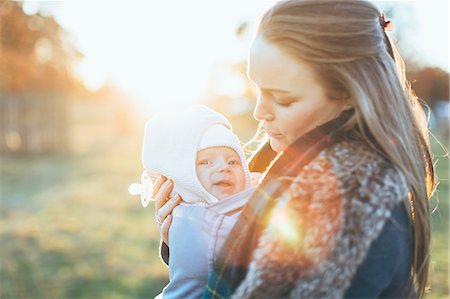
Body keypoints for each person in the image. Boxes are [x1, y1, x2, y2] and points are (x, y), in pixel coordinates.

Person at [152, 0, 437, 298]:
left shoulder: (351, 204)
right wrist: (189, 243)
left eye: (283, 100)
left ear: (349, 95)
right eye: (258, 89)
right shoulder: (285, 155)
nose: (260, 112)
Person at [139, 105, 260, 298]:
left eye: (233, 162)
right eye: (205, 162)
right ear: (182, 175)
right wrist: (260, 196)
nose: (223, 168)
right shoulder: (202, 219)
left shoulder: (188, 215)